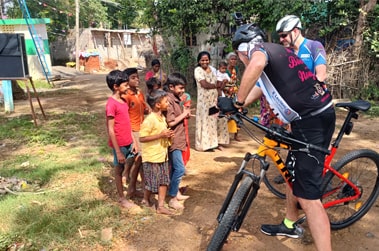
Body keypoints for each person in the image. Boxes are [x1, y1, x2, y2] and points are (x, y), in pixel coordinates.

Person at [231, 23, 335, 251]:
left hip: (312, 122)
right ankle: (290, 222)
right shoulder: (276, 52)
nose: (242, 61)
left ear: (242, 50)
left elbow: (255, 64)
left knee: (309, 199)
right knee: (293, 174)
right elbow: (260, 88)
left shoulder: (258, 52)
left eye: (240, 57)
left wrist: (237, 101)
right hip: (307, 119)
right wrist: (236, 107)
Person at [105, 70, 139, 209]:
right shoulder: (111, 104)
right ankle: (121, 198)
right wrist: (118, 151)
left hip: (129, 140)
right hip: (119, 143)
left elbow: (128, 123)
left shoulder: (124, 101)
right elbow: (111, 129)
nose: (127, 87)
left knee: (136, 160)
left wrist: (134, 141)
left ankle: (132, 188)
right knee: (118, 170)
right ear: (116, 87)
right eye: (125, 85)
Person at [139, 89, 174, 215]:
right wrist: (160, 135)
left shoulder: (162, 118)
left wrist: (168, 136)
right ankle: (145, 199)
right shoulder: (150, 120)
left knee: (164, 180)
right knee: (151, 182)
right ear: (158, 105)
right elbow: (142, 138)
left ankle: (160, 206)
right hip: (152, 157)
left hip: (162, 156)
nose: (168, 104)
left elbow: (162, 135)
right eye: (166, 101)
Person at [164, 73, 192, 210]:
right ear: (171, 87)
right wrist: (184, 114)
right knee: (179, 168)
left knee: (175, 168)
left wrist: (185, 115)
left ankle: (175, 192)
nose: (182, 91)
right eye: (180, 88)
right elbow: (171, 122)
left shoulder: (175, 99)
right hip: (174, 140)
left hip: (179, 138)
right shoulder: (169, 101)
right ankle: (173, 197)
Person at [194, 51, 229, 152]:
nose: (205, 62)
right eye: (203, 60)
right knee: (206, 121)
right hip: (204, 102)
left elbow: (217, 83)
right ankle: (205, 145)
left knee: (214, 120)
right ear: (199, 61)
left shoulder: (212, 70)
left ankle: (214, 143)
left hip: (213, 100)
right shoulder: (198, 70)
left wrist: (222, 83)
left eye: (207, 60)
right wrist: (216, 85)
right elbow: (204, 84)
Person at [121, 67, 148, 199]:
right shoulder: (126, 96)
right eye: (133, 78)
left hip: (142, 129)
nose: (137, 79)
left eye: (137, 77)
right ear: (127, 80)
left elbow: (144, 107)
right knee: (139, 159)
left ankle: (142, 186)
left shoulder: (139, 93)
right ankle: (132, 187)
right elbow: (125, 118)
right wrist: (133, 138)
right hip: (134, 130)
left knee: (141, 160)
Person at [225, 52, 241, 141]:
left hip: (235, 93)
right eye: (232, 59)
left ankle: (236, 134)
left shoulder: (236, 69)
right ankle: (225, 135)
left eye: (235, 59)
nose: (233, 61)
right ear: (228, 60)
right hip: (227, 93)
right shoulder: (224, 70)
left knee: (238, 112)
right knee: (227, 114)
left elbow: (236, 81)